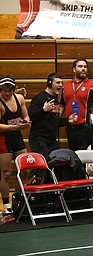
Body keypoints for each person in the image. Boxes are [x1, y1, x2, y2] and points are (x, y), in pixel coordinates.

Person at [28, 72, 77, 182]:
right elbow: (30, 115)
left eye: (61, 83)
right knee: (42, 167)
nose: (60, 85)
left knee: (57, 164)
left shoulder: (55, 100)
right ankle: (37, 192)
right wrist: (43, 110)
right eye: (57, 82)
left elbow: (53, 121)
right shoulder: (40, 98)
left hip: (51, 140)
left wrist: (67, 121)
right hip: (39, 139)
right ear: (50, 83)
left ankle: (53, 195)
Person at [0, 75, 31, 215]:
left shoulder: (19, 99)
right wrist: (15, 127)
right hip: (3, 138)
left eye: (9, 90)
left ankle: (18, 195)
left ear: (13, 89)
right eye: (3, 90)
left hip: (16, 137)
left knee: (25, 168)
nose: (6, 93)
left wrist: (25, 122)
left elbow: (26, 116)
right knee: (6, 173)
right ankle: (6, 203)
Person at [60, 58, 93, 150]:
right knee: (72, 153)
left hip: (86, 127)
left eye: (85, 67)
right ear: (74, 69)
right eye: (80, 66)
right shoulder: (65, 86)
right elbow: (61, 105)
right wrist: (56, 122)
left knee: (85, 155)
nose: (83, 68)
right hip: (70, 127)